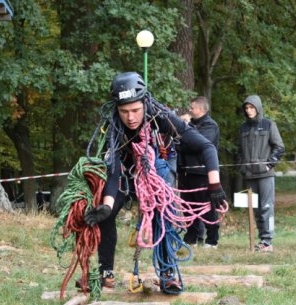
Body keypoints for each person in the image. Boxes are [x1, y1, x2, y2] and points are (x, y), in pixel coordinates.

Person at [83, 72, 226, 292]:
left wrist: (214, 187)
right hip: (128, 175)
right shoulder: (115, 127)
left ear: (144, 103)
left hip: (157, 170)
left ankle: (167, 272)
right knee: (106, 214)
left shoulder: (162, 117)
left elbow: (206, 147)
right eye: (124, 111)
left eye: (135, 110)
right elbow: (113, 172)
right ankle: (105, 273)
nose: (130, 117)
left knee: (162, 211)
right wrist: (107, 206)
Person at [237, 95, 285, 252]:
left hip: (265, 175)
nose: (249, 111)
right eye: (247, 108)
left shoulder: (269, 125)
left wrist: (269, 164)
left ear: (258, 108)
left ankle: (268, 240)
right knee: (256, 209)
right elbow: (239, 151)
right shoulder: (243, 128)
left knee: (266, 207)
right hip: (249, 175)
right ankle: (261, 239)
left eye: (251, 107)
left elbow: (279, 147)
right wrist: (242, 166)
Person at [179, 96, 221, 248]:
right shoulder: (189, 126)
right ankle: (191, 238)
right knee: (188, 207)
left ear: (201, 108)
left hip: (202, 173)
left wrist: (186, 129)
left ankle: (212, 239)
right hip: (185, 172)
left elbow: (199, 144)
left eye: (192, 107)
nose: (190, 109)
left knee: (206, 207)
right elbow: (180, 145)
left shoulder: (211, 126)